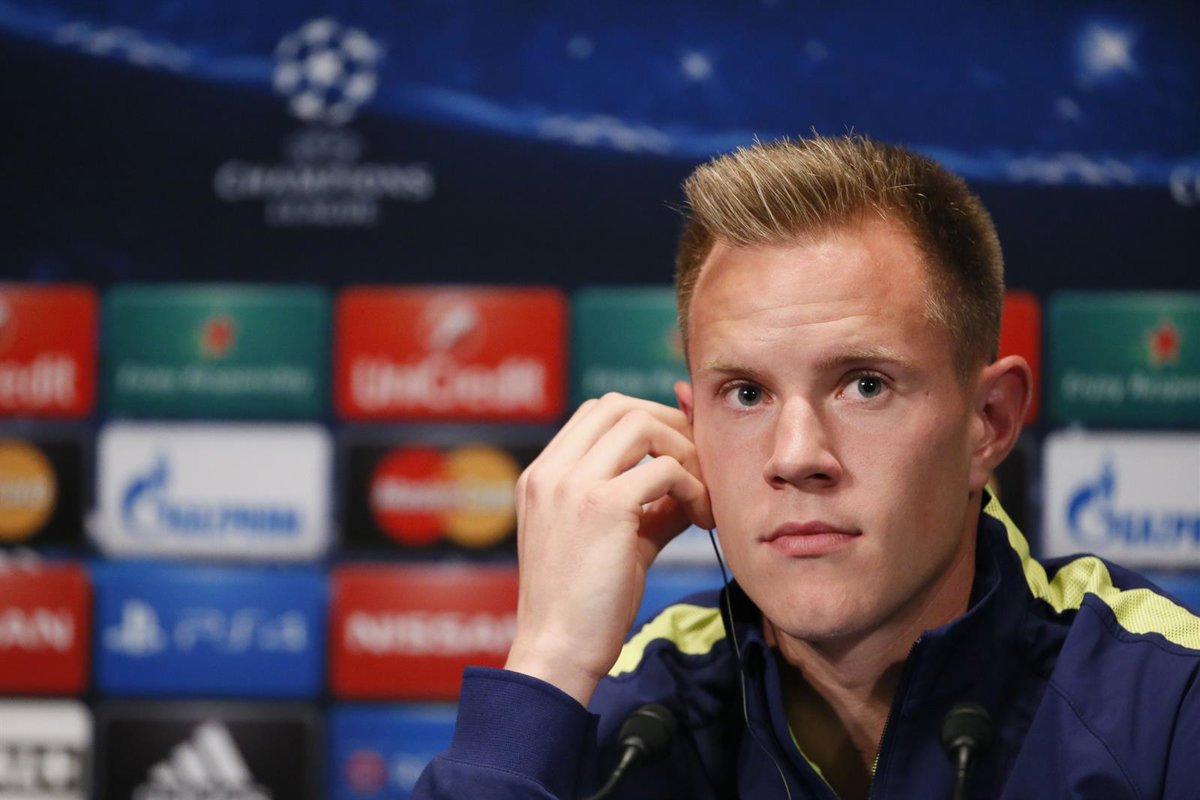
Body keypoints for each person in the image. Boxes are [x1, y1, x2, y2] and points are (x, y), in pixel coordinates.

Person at [413, 134, 1200, 799]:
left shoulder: (1165, 699)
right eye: (746, 394)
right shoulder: (621, 714)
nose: (795, 457)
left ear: (988, 423)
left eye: (866, 385)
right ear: (692, 426)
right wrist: (549, 657)